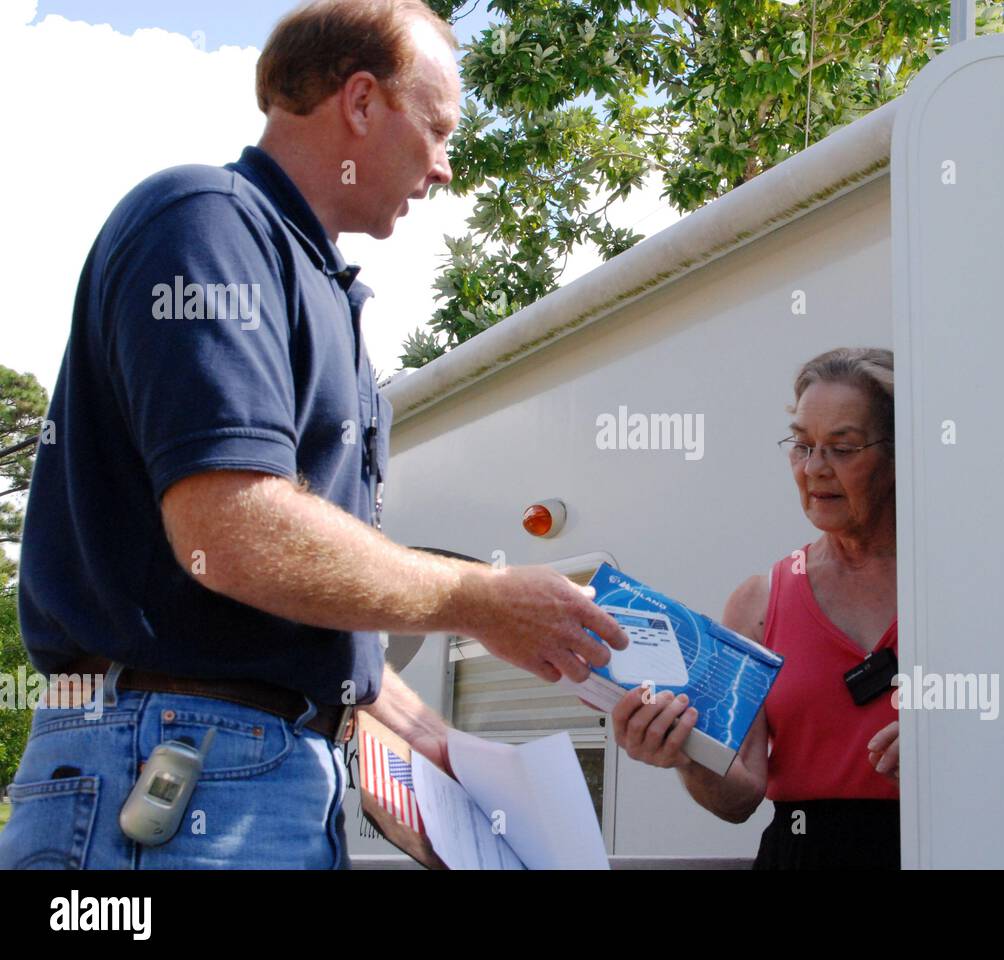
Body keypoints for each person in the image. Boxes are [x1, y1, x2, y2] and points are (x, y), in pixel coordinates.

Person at [0, 0, 627, 870]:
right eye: (438, 128)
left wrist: (448, 760)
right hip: (172, 770)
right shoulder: (207, 221)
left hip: (245, 772)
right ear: (362, 102)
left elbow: (298, 613)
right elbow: (233, 532)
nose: (445, 168)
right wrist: (478, 599)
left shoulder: (317, 281)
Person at [611, 347, 901, 869]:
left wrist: (958, 738)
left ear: (899, 454)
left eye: (843, 447)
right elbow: (741, 796)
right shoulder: (761, 601)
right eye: (802, 445)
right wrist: (683, 755)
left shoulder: (961, 583)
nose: (815, 469)